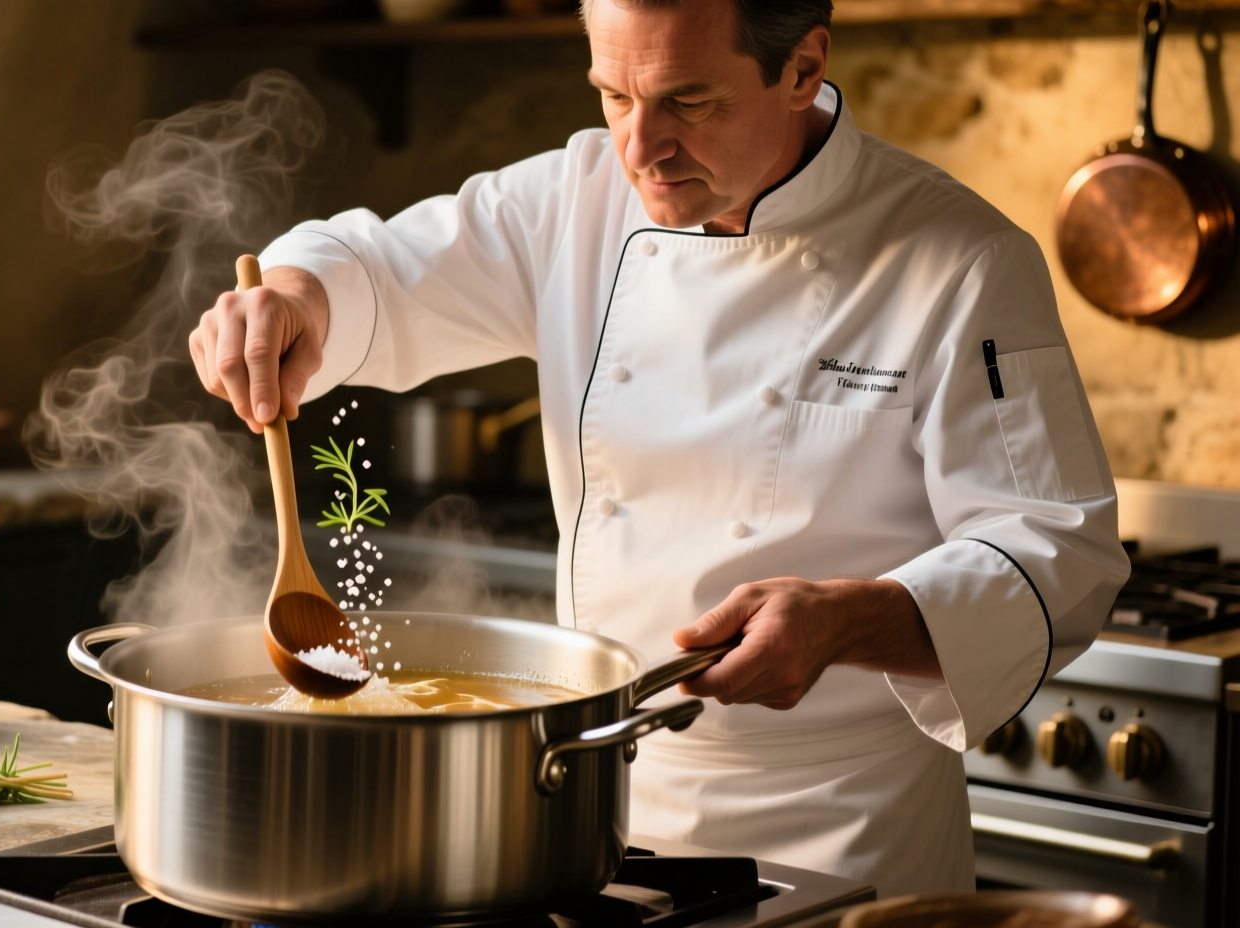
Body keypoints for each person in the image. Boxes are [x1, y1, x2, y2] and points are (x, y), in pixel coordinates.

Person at [188, 0, 1130, 896]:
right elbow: (379, 274)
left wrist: (851, 619)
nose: (639, 147)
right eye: (613, 95)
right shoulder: (576, 198)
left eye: (690, 101)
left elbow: (1058, 551)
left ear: (803, 66)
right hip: (586, 805)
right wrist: (295, 300)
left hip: (841, 827)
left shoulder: (960, 259)